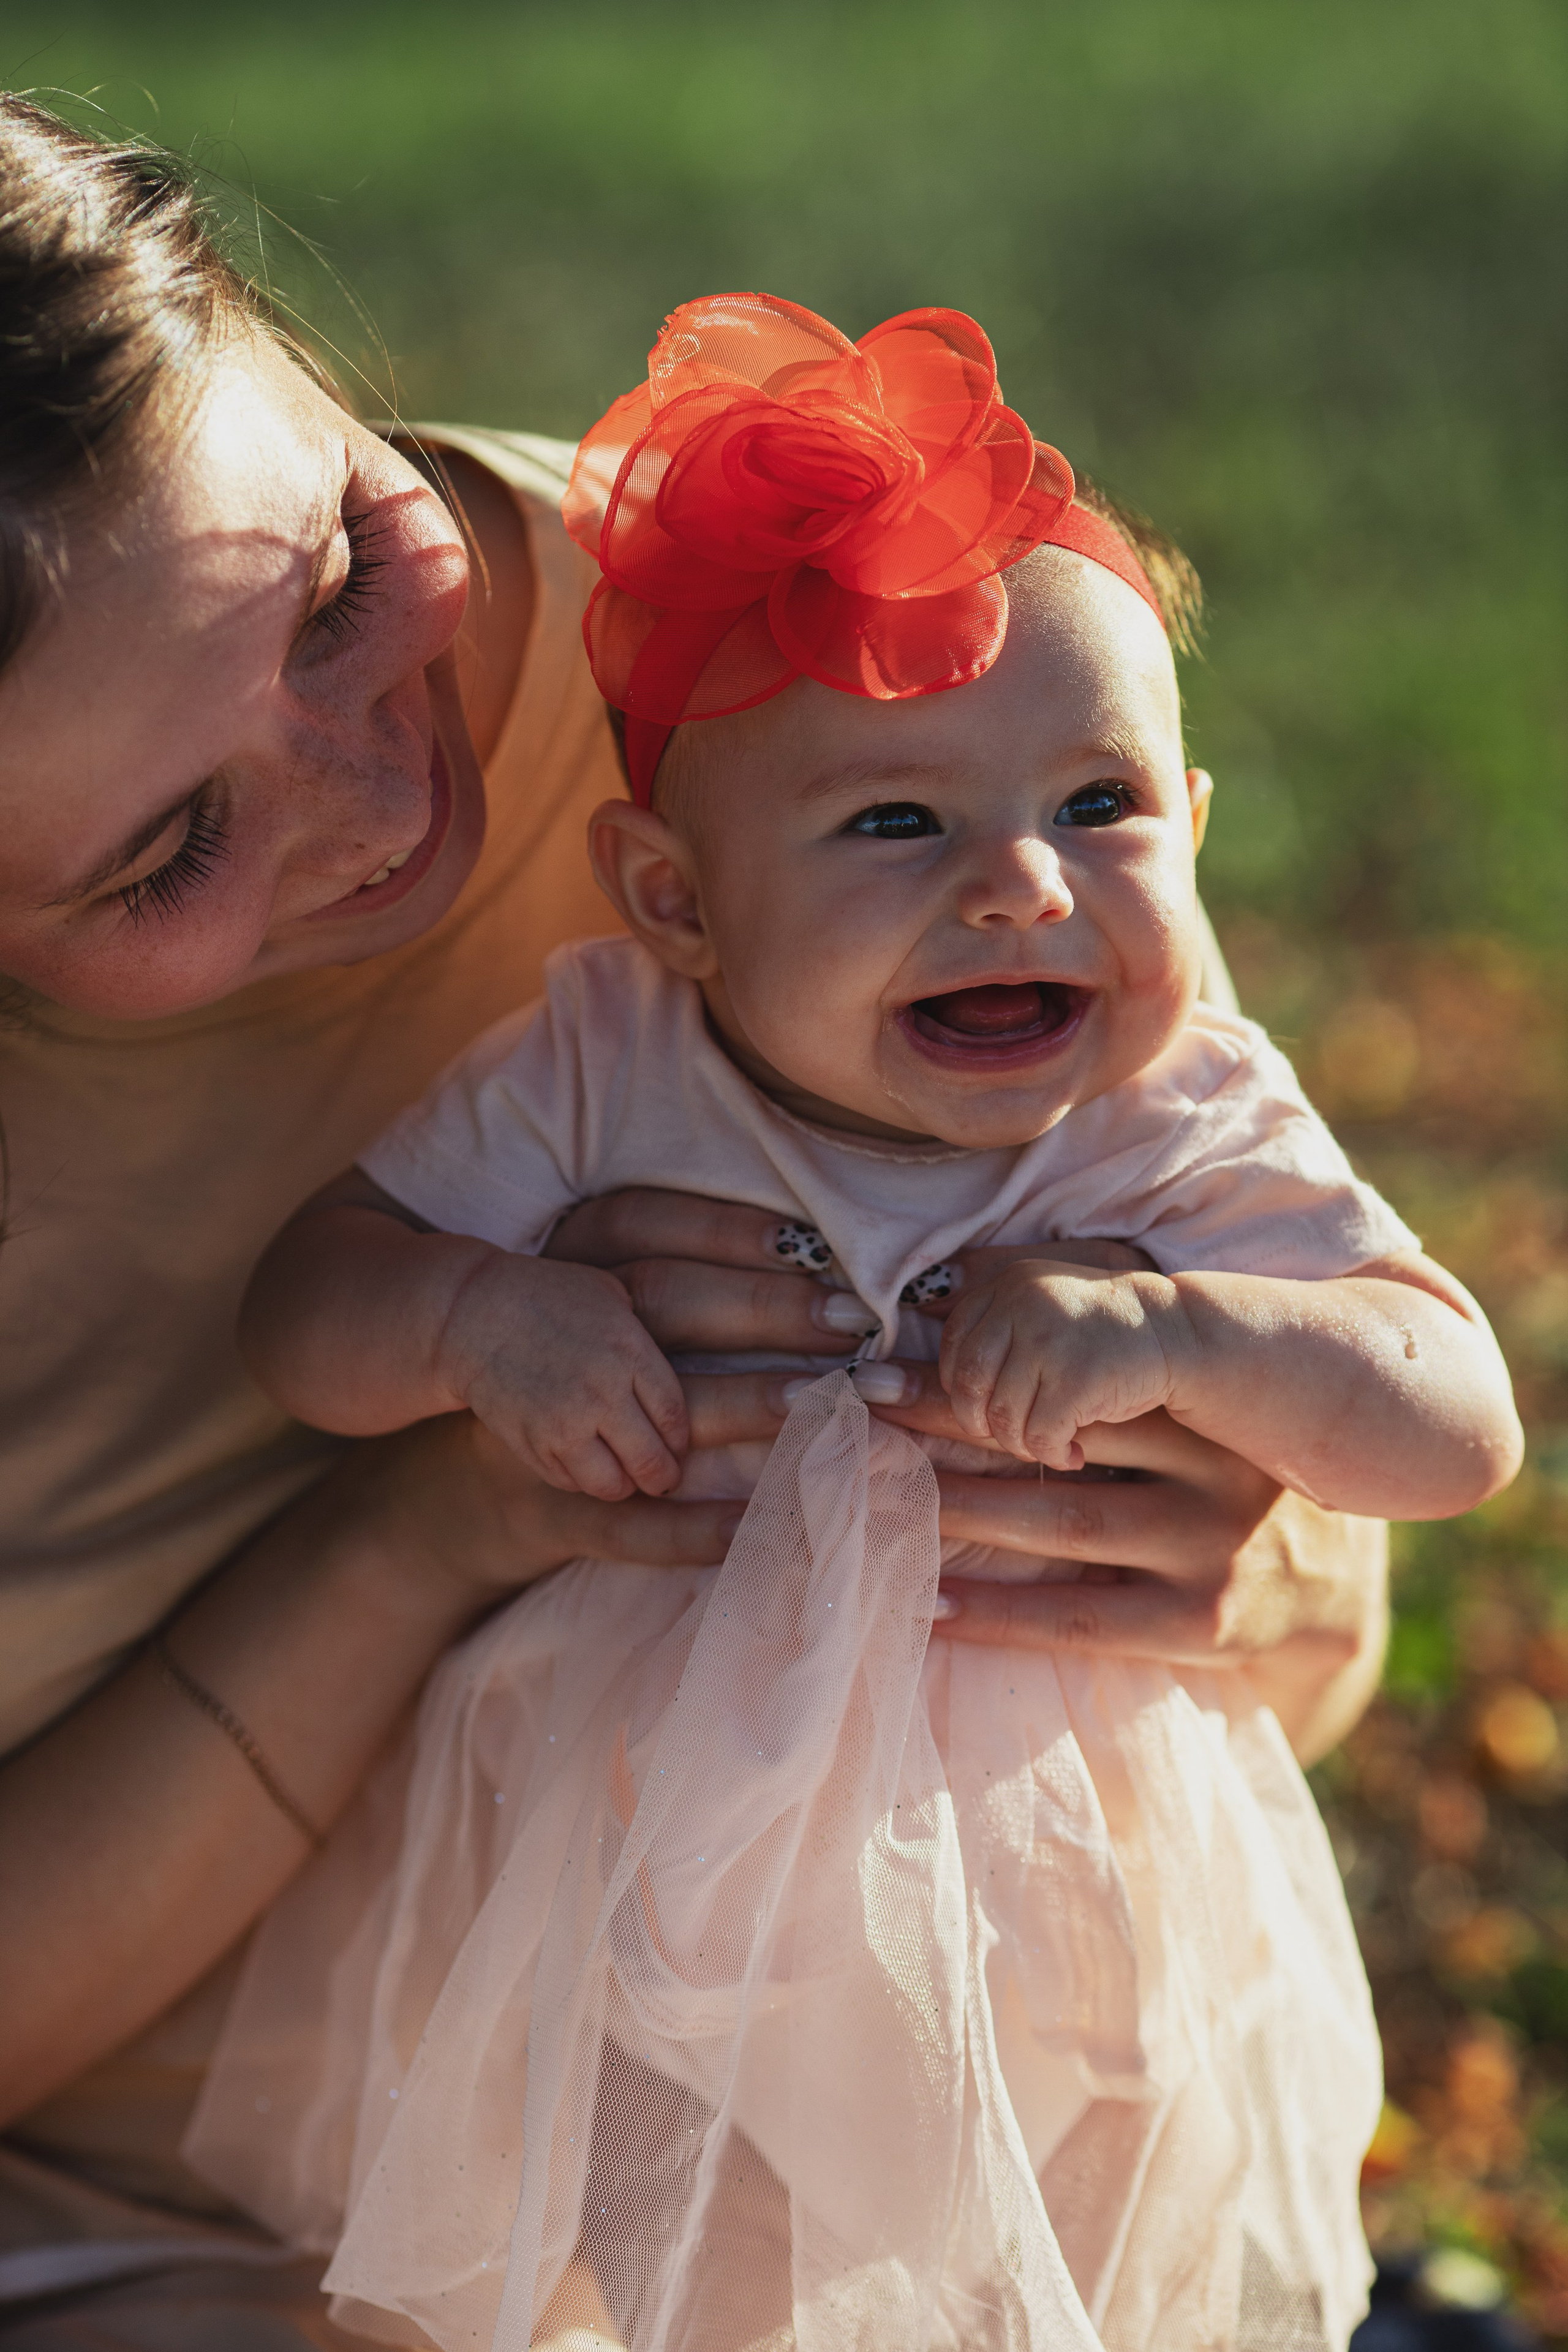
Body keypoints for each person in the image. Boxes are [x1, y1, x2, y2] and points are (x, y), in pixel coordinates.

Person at [0, 101, 1393, 2351]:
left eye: (350, 575)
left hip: (798, 2133)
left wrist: (1212, 1515)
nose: (384, 797)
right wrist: (420, 1531)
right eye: (169, 851)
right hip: (138, 2211)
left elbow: (1306, 1544)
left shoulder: (820, 662)